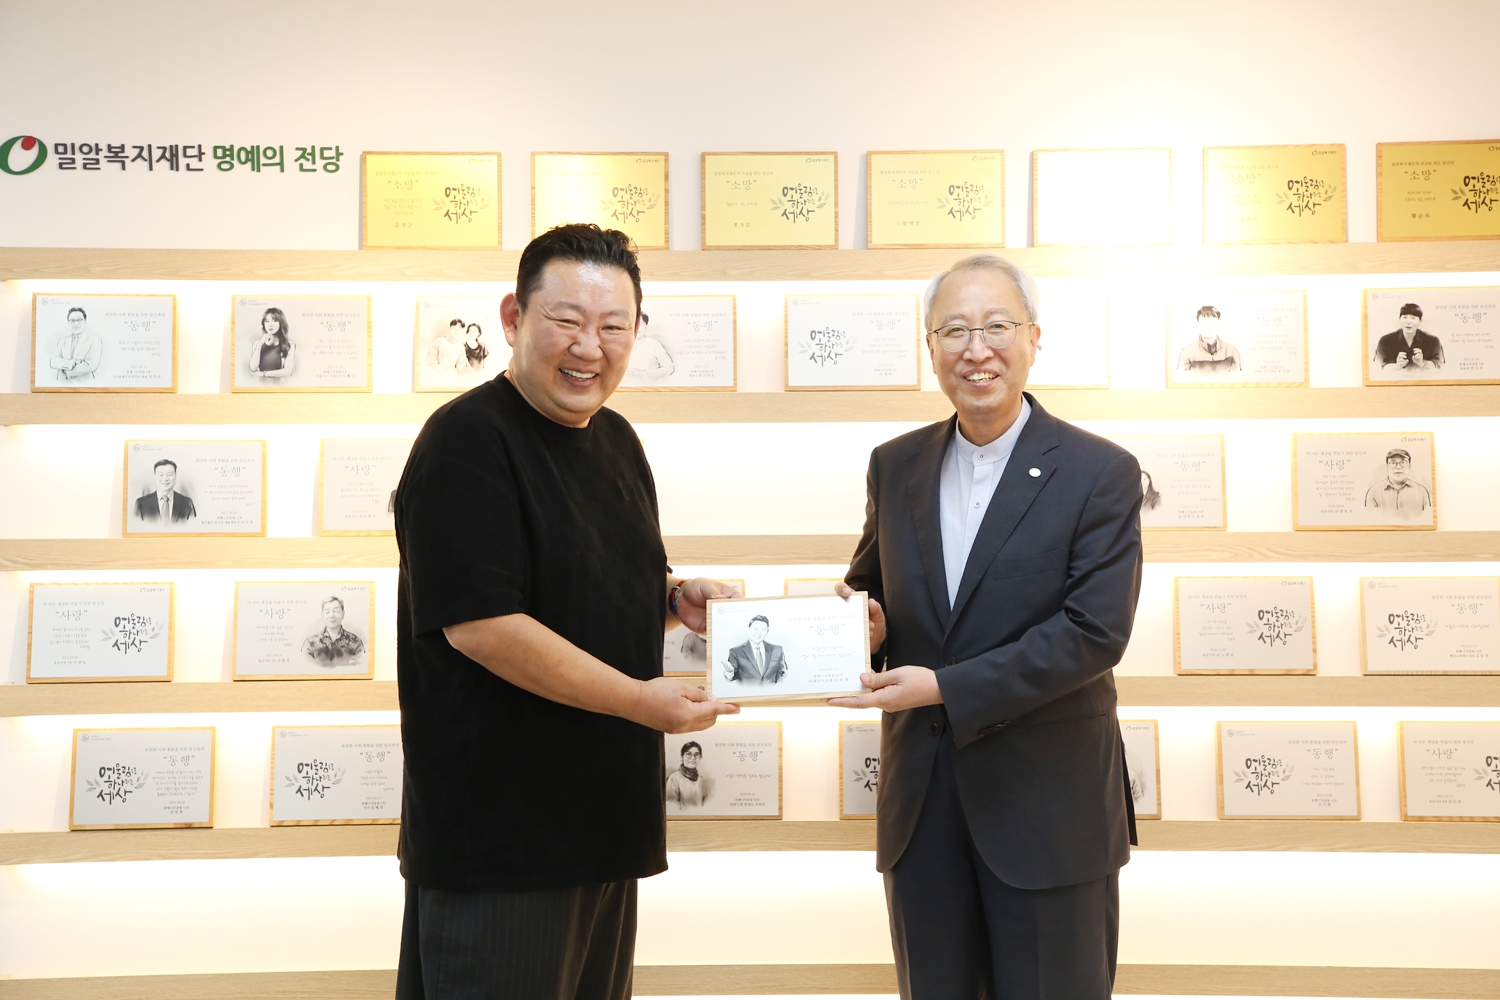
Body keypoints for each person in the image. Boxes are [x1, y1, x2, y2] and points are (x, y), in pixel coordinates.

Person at [393, 224, 740, 1000]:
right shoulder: (467, 441)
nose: (590, 347)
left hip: (603, 830)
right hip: (503, 845)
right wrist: (640, 701)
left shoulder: (616, 440)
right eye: (567, 320)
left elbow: (586, 590)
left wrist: (674, 600)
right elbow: (483, 625)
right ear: (514, 317)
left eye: (614, 326)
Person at [829, 254, 1143, 1000]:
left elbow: (1094, 632)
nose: (977, 350)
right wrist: (861, 627)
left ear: (1033, 337)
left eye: (997, 326)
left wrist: (945, 686)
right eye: (955, 331)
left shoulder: (1099, 471)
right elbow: (871, 589)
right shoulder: (894, 465)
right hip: (922, 809)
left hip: (1050, 812)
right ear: (930, 346)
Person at [1373, 303, 1444, 373]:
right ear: (1399, 319)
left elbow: (1440, 366)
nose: (1408, 322)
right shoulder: (1385, 341)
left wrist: (1422, 363)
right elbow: (1377, 367)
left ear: (1420, 321)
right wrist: (1397, 366)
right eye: (1405, 317)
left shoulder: (1432, 341)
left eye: (1413, 318)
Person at [1364, 448, 1431, 519]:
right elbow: (1370, 519)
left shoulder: (1422, 492)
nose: (1398, 467)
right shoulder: (1373, 493)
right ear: (1387, 466)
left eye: (1403, 463)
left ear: (1409, 466)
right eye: (1393, 463)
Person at [301, 596, 366, 666]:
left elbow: (360, 666)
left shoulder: (356, 642)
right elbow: (305, 666)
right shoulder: (310, 643)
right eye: (327, 612)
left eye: (336, 611)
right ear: (322, 616)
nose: (331, 615)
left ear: (343, 614)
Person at [722, 614, 787, 685]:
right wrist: (729, 672)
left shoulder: (777, 649)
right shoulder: (736, 652)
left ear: (767, 631)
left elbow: (783, 673)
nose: (759, 633)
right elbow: (731, 678)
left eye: (763, 630)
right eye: (755, 629)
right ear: (748, 629)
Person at [1177, 305, 1242, 374]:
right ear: (1198, 325)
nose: (1208, 326)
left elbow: (1236, 378)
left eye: (1212, 322)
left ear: (1218, 324)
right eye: (1204, 322)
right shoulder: (1187, 352)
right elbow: (1183, 378)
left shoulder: (1231, 351)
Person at [133, 459, 197, 524]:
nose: (165, 479)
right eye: (161, 475)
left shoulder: (187, 503)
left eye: (169, 474)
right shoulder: (141, 504)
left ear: (175, 476)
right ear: (155, 477)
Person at [48, 306, 103, 382]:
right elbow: (53, 362)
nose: (76, 324)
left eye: (79, 320)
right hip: (62, 383)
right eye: (72, 321)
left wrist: (67, 372)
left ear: (85, 321)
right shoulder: (62, 341)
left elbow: (91, 365)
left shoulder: (94, 340)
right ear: (68, 323)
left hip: (86, 384)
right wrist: (74, 362)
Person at [663, 740, 715, 808]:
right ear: (682, 757)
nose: (693, 758)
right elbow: (671, 806)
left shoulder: (701, 780)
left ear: (700, 757)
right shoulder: (674, 778)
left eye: (696, 755)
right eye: (688, 754)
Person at [247, 307, 295, 379]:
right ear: (263, 323)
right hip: (260, 384)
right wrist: (260, 344)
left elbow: (288, 372)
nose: (270, 325)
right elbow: (253, 368)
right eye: (267, 321)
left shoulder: (289, 344)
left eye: (275, 321)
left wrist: (263, 374)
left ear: (281, 323)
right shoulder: (257, 343)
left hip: (280, 384)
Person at [625, 313, 675, 381]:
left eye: (640, 324)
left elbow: (669, 368)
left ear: (646, 326)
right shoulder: (622, 345)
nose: (637, 328)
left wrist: (645, 374)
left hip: (650, 384)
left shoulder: (654, 344)